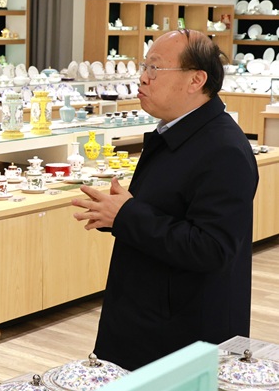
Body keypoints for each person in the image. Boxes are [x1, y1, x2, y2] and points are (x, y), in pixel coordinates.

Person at [71, 29, 259, 371]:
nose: (143, 77)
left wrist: (126, 215)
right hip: (145, 316)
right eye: (144, 66)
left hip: (180, 334)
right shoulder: (174, 132)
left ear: (196, 80)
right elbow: (162, 211)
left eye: (155, 68)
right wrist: (117, 214)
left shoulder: (223, 149)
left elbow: (212, 248)